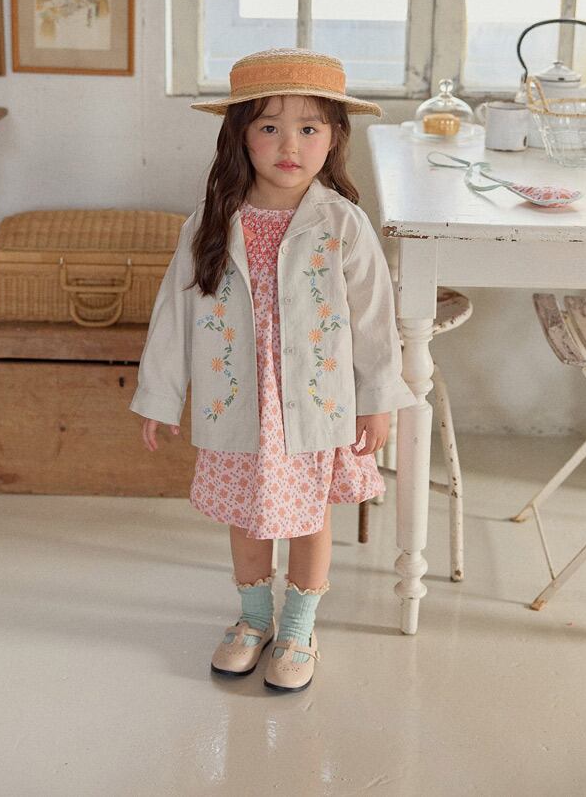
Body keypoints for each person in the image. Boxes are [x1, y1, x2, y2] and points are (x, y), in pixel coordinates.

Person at [129, 47, 416, 694]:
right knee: (247, 513)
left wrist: (377, 399)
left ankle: (299, 628)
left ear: (334, 136)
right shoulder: (210, 223)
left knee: (309, 516)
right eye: (269, 126)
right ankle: (254, 619)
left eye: (309, 127)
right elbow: (174, 312)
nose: (290, 144)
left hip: (314, 405)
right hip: (239, 402)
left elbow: (375, 320)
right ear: (240, 135)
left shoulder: (342, 224)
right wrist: (160, 395)